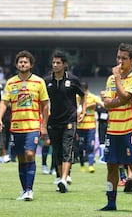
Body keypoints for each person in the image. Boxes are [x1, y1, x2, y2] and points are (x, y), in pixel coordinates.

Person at [0, 50, 49, 201]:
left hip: (32, 126)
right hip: (16, 127)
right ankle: (24, 189)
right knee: (20, 157)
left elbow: (45, 105)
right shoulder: (11, 82)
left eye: (25, 62)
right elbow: (4, 102)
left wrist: (44, 124)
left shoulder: (39, 82)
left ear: (31, 65)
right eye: (20, 62)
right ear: (16, 64)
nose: (23, 64)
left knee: (30, 154)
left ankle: (29, 190)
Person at [99, 43, 132, 212]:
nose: (120, 61)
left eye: (124, 58)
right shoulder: (110, 79)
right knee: (111, 166)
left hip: (130, 129)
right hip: (112, 129)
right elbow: (107, 103)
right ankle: (111, 203)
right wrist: (120, 100)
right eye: (118, 57)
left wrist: (119, 84)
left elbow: (125, 97)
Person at [44, 51, 86, 193]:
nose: (55, 65)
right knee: (56, 150)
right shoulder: (47, 81)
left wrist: (83, 110)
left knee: (67, 149)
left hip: (70, 119)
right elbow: (42, 100)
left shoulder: (73, 80)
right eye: (53, 63)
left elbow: (83, 95)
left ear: (64, 64)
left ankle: (63, 179)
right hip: (53, 120)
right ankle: (61, 176)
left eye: (58, 63)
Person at [77, 82, 103, 173]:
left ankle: (91, 166)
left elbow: (102, 104)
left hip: (90, 127)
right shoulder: (77, 98)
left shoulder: (93, 97)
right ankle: (82, 165)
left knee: (90, 146)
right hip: (80, 127)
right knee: (80, 147)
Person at [95, 90, 108, 162]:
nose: (102, 96)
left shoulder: (109, 103)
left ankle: (107, 156)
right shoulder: (98, 104)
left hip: (108, 123)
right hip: (101, 124)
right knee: (101, 140)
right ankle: (101, 156)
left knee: (108, 140)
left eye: (103, 94)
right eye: (101, 94)